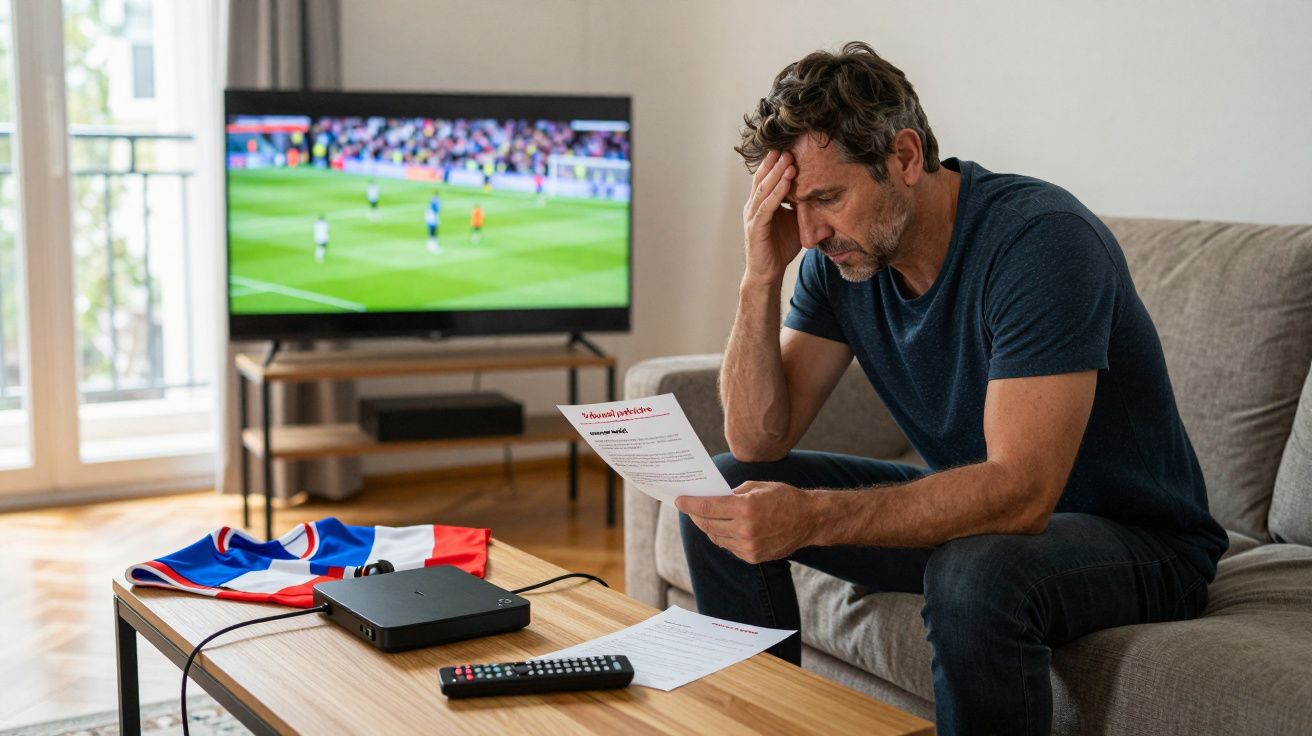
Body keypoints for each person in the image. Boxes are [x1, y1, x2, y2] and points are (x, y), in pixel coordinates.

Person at [673, 42, 1227, 736]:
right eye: (793, 205)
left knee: (975, 573)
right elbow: (757, 437)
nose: (810, 232)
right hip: (994, 523)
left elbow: (1023, 492)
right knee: (725, 492)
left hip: (1144, 542)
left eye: (827, 198)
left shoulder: (1040, 241)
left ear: (904, 157)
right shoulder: (839, 257)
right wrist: (760, 275)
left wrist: (811, 517)